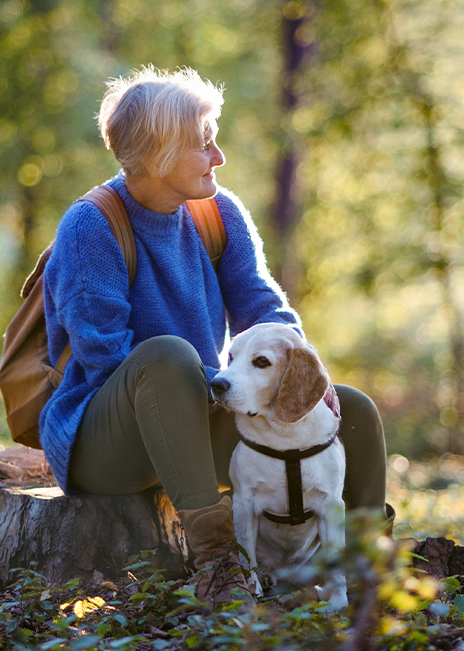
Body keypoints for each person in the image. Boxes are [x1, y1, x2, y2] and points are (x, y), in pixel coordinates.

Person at [40, 66, 389, 604]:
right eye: (204, 144)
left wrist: (303, 373)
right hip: (108, 441)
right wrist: (219, 384)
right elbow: (104, 355)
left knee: (354, 409)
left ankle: (365, 572)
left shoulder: (219, 213)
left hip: (202, 414)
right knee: (167, 357)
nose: (219, 157)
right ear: (158, 153)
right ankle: (220, 565)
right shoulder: (92, 226)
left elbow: (265, 308)